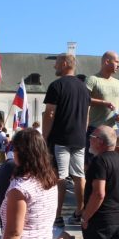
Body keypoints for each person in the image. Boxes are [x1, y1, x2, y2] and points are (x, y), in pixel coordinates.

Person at [42, 53, 91, 227]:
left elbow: (49, 113)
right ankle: (80, 210)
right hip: (79, 138)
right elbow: (87, 116)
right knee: (79, 175)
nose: (54, 66)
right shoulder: (84, 88)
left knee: (60, 176)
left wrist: (44, 136)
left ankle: (57, 215)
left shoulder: (56, 85)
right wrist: (82, 133)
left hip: (60, 137)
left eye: (56, 63)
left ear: (64, 64)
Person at [85, 51, 119, 158]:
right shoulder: (92, 79)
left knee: (114, 162)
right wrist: (103, 103)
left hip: (114, 130)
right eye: (117, 62)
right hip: (96, 129)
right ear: (107, 61)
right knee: (93, 161)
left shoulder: (118, 83)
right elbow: (83, 99)